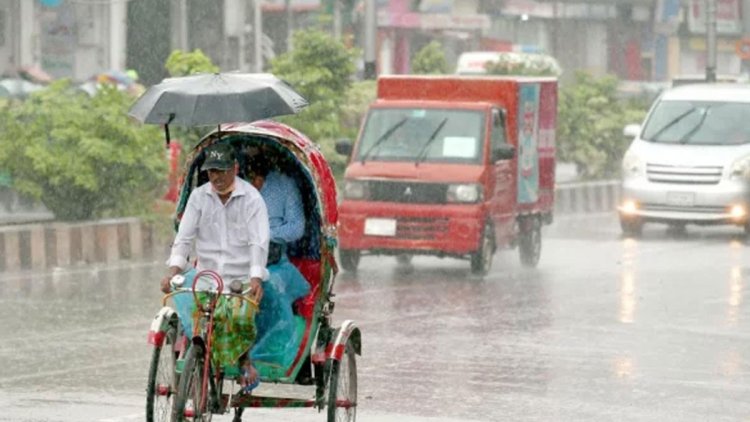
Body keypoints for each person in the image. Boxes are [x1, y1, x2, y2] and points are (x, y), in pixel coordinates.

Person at [161, 142, 269, 390]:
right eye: (212, 172)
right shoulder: (199, 197)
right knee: (191, 313)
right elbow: (184, 239)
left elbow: (258, 243)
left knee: (240, 317)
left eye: (221, 171)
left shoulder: (252, 199)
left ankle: (243, 360)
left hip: (239, 278)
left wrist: (255, 278)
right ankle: (195, 357)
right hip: (206, 276)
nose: (216, 178)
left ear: (235, 167)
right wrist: (173, 272)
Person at [245, 152, 311, 367]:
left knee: (271, 289)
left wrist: (264, 235)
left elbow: (296, 227)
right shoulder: (230, 189)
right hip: (235, 259)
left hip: (273, 263)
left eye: (256, 180)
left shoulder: (284, 186)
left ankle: (270, 352)